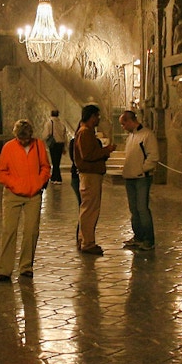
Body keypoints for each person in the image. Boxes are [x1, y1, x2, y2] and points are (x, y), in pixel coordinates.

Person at [0, 119, 51, 282]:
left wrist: (39, 182)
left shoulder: (39, 146)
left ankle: (26, 266)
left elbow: (45, 167)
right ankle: (4, 269)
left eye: (26, 139)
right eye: (21, 139)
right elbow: (1, 171)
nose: (24, 142)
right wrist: (14, 184)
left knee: (31, 231)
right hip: (13, 194)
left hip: (33, 194)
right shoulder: (9, 148)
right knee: (9, 231)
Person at [73, 104, 116, 256]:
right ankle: (88, 242)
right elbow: (88, 155)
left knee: (88, 209)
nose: (98, 119)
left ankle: (84, 239)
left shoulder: (87, 132)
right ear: (91, 117)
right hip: (90, 176)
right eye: (97, 116)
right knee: (90, 210)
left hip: (91, 175)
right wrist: (106, 151)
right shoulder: (85, 133)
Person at [119, 110, 159, 251]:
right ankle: (138, 236)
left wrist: (142, 169)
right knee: (133, 209)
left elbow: (153, 156)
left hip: (141, 178)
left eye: (124, 124)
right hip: (130, 177)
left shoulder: (147, 135)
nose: (123, 127)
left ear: (130, 121)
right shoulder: (131, 136)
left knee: (142, 208)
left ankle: (148, 239)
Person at [44, 109, 67, 185]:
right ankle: (54, 177)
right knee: (57, 161)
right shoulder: (61, 124)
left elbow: (46, 134)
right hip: (60, 144)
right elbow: (65, 136)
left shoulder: (49, 123)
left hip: (53, 144)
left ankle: (57, 178)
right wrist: (64, 147)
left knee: (54, 161)